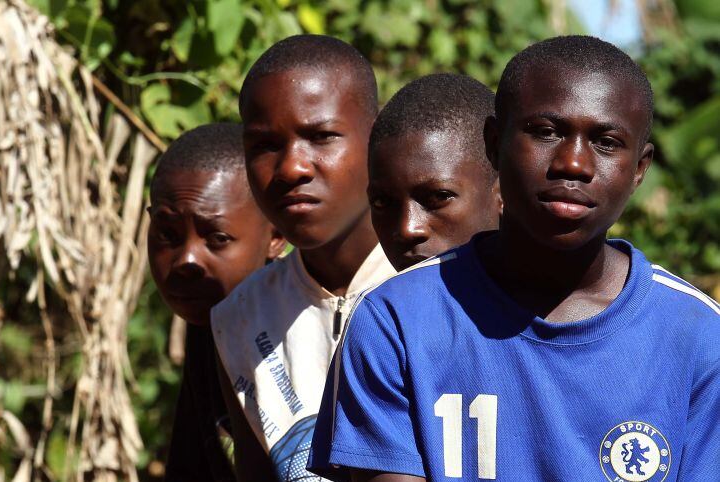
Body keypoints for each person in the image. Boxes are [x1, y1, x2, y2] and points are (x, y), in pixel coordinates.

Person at [309, 35, 720, 481]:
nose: (573, 163)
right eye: (546, 132)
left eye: (605, 142)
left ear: (639, 169)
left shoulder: (698, 337)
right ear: (494, 143)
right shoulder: (396, 320)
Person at [210, 35, 396, 482]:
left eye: (320, 136)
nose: (292, 167)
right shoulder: (240, 320)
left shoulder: (444, 288)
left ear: (377, 139)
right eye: (265, 145)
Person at [148, 123, 285, 482]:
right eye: (168, 235)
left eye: (217, 238)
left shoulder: (304, 329)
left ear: (276, 236)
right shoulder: (212, 325)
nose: (187, 260)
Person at [366, 73, 501, 271]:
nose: (408, 229)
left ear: (504, 191)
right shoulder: (379, 293)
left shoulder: (549, 289)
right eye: (382, 203)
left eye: (439, 197)